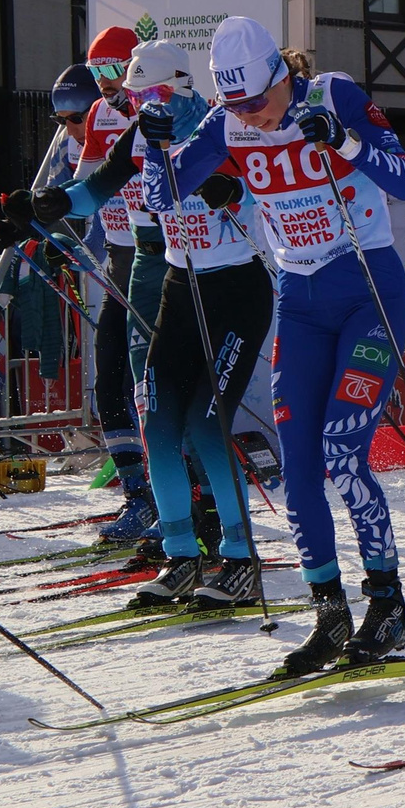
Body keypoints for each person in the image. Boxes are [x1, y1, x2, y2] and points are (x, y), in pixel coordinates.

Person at [142, 15, 405, 675]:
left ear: (283, 77)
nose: (251, 118)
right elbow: (163, 197)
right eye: (233, 105)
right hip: (300, 299)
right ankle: (329, 614)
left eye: (259, 103)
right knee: (297, 469)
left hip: (367, 290)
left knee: (344, 449)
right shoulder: (229, 121)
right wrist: (154, 149)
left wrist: (347, 144)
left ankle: (388, 603)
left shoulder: (332, 96)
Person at [48, 42, 267, 610]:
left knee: (203, 419)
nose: (149, 104)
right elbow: (94, 191)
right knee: (160, 420)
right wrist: (42, 205)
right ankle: (182, 553)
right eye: (141, 94)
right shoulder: (143, 133)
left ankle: (241, 558)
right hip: (177, 284)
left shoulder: (219, 125)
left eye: (159, 93)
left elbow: (259, 179)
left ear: (183, 85)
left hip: (234, 289)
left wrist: (231, 187)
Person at [73, 23, 153, 540]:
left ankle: (191, 495)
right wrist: (42, 216)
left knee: (156, 385)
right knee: (109, 381)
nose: (103, 81)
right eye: (95, 71)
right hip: (121, 259)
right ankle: (138, 496)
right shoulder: (101, 113)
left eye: (111, 69)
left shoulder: (156, 110)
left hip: (160, 257)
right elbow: (83, 184)